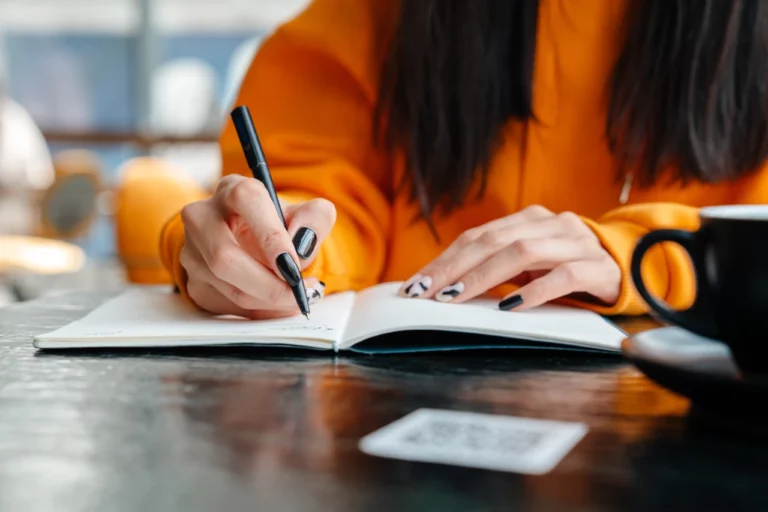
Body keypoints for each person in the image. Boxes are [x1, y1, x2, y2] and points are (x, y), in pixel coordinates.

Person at [139, 0, 768, 320]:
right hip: (376, 427)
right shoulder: (378, 15)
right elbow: (320, 183)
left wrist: (645, 258)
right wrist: (267, 250)